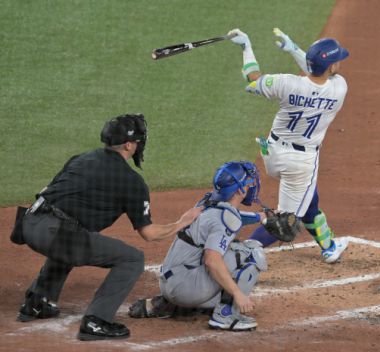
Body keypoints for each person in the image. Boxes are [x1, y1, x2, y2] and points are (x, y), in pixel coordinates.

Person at [12, 114, 202, 341]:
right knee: (131, 259)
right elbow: (149, 233)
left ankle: (37, 301)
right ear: (130, 145)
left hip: (29, 222)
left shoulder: (82, 158)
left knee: (72, 235)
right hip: (54, 233)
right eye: (139, 141)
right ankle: (96, 321)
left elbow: (49, 190)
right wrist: (181, 222)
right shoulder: (131, 181)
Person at [226, 28, 349, 263]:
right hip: (300, 163)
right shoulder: (339, 88)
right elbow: (318, 75)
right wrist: (295, 50)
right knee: (286, 221)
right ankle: (241, 254)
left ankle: (329, 247)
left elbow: (252, 81)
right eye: (337, 60)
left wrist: (247, 47)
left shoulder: (286, 83)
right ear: (331, 67)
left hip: (271, 153)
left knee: (308, 198)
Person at [128, 161, 267, 331]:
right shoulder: (225, 218)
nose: (251, 186)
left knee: (222, 250)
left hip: (169, 282)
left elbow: (229, 216)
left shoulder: (208, 202)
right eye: (248, 183)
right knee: (252, 252)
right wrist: (238, 294)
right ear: (240, 189)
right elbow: (211, 261)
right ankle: (226, 315)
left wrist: (260, 217)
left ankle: (170, 304)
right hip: (184, 288)